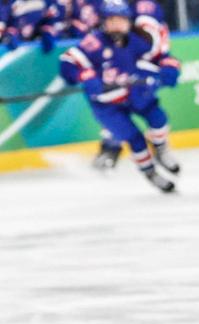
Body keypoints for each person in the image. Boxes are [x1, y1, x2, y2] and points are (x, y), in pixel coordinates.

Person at [57, 0, 180, 194]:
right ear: (103, 22)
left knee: (159, 119)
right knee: (136, 140)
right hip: (107, 106)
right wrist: (83, 76)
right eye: (111, 20)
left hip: (135, 95)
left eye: (120, 20)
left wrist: (169, 68)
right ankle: (150, 172)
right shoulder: (94, 43)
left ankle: (161, 149)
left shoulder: (138, 41)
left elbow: (162, 57)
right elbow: (67, 62)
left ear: (129, 21)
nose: (116, 24)